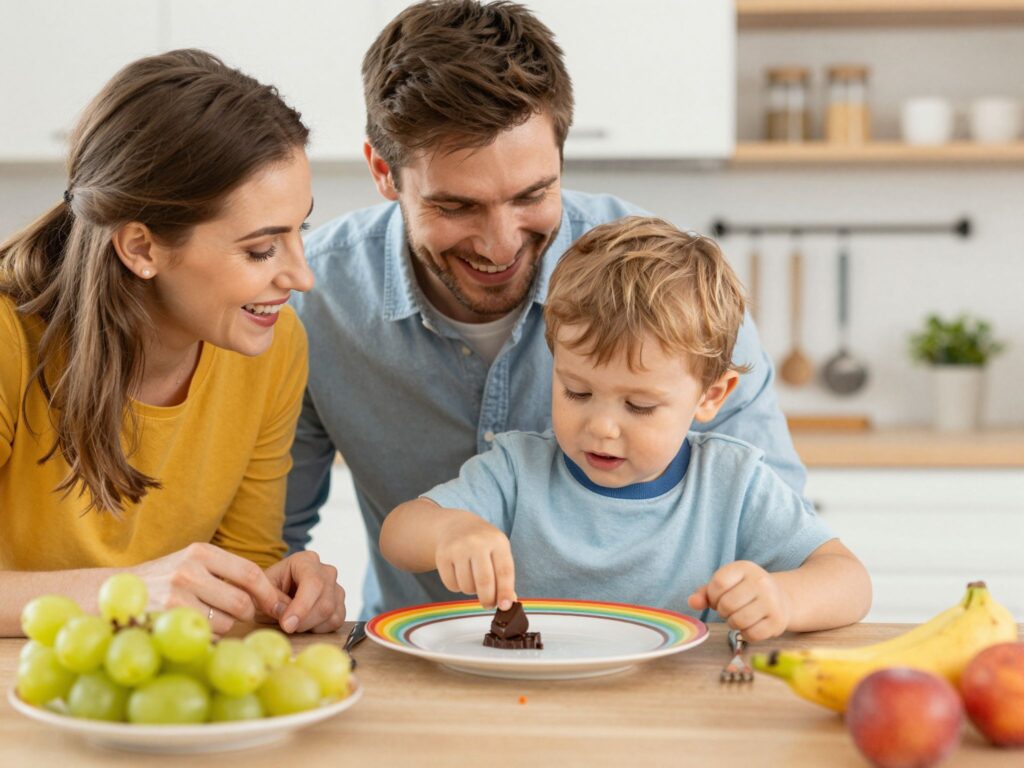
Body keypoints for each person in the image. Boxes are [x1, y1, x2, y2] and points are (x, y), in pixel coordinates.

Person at [286, 0, 805, 618]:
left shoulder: (672, 294)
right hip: (424, 666)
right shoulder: (309, 301)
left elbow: (785, 554)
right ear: (384, 171)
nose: (499, 244)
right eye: (456, 207)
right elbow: (269, 535)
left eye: (532, 194)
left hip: (667, 676)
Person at [380, 217, 872, 640]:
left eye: (639, 405)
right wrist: (450, 531)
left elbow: (850, 581)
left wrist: (783, 598)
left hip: (675, 712)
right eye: (576, 392)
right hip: (532, 704)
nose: (602, 428)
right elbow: (398, 534)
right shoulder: (516, 470)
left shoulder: (732, 482)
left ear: (710, 397)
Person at [0, 49, 345, 637]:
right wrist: (123, 594)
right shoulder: (10, 337)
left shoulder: (272, 344)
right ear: (141, 248)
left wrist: (276, 592)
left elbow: (239, 566)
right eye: (261, 249)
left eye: (300, 230)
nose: (301, 276)